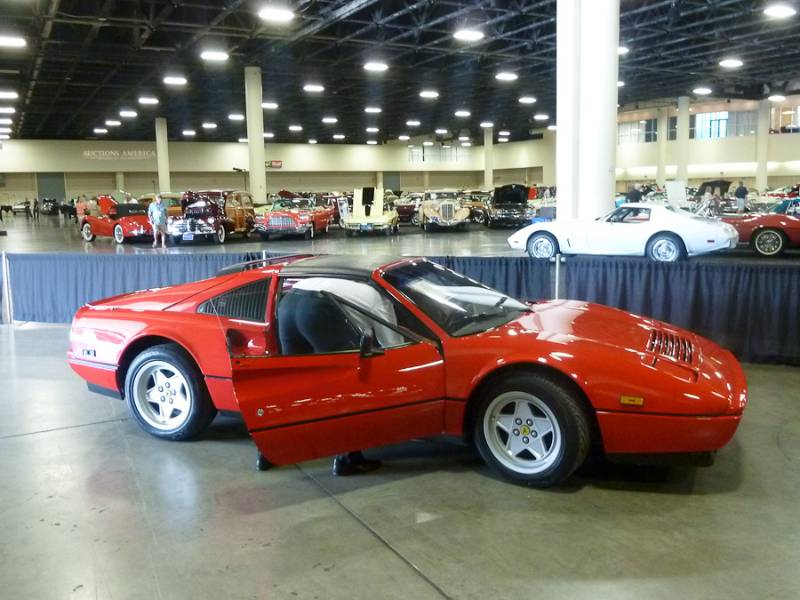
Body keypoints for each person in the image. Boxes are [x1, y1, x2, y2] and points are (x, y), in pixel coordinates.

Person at [276, 276, 403, 476]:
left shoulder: (354, 287)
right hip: (318, 308)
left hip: (289, 302)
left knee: (292, 386)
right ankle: (347, 458)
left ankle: (270, 453)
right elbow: (394, 347)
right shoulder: (381, 300)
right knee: (344, 386)